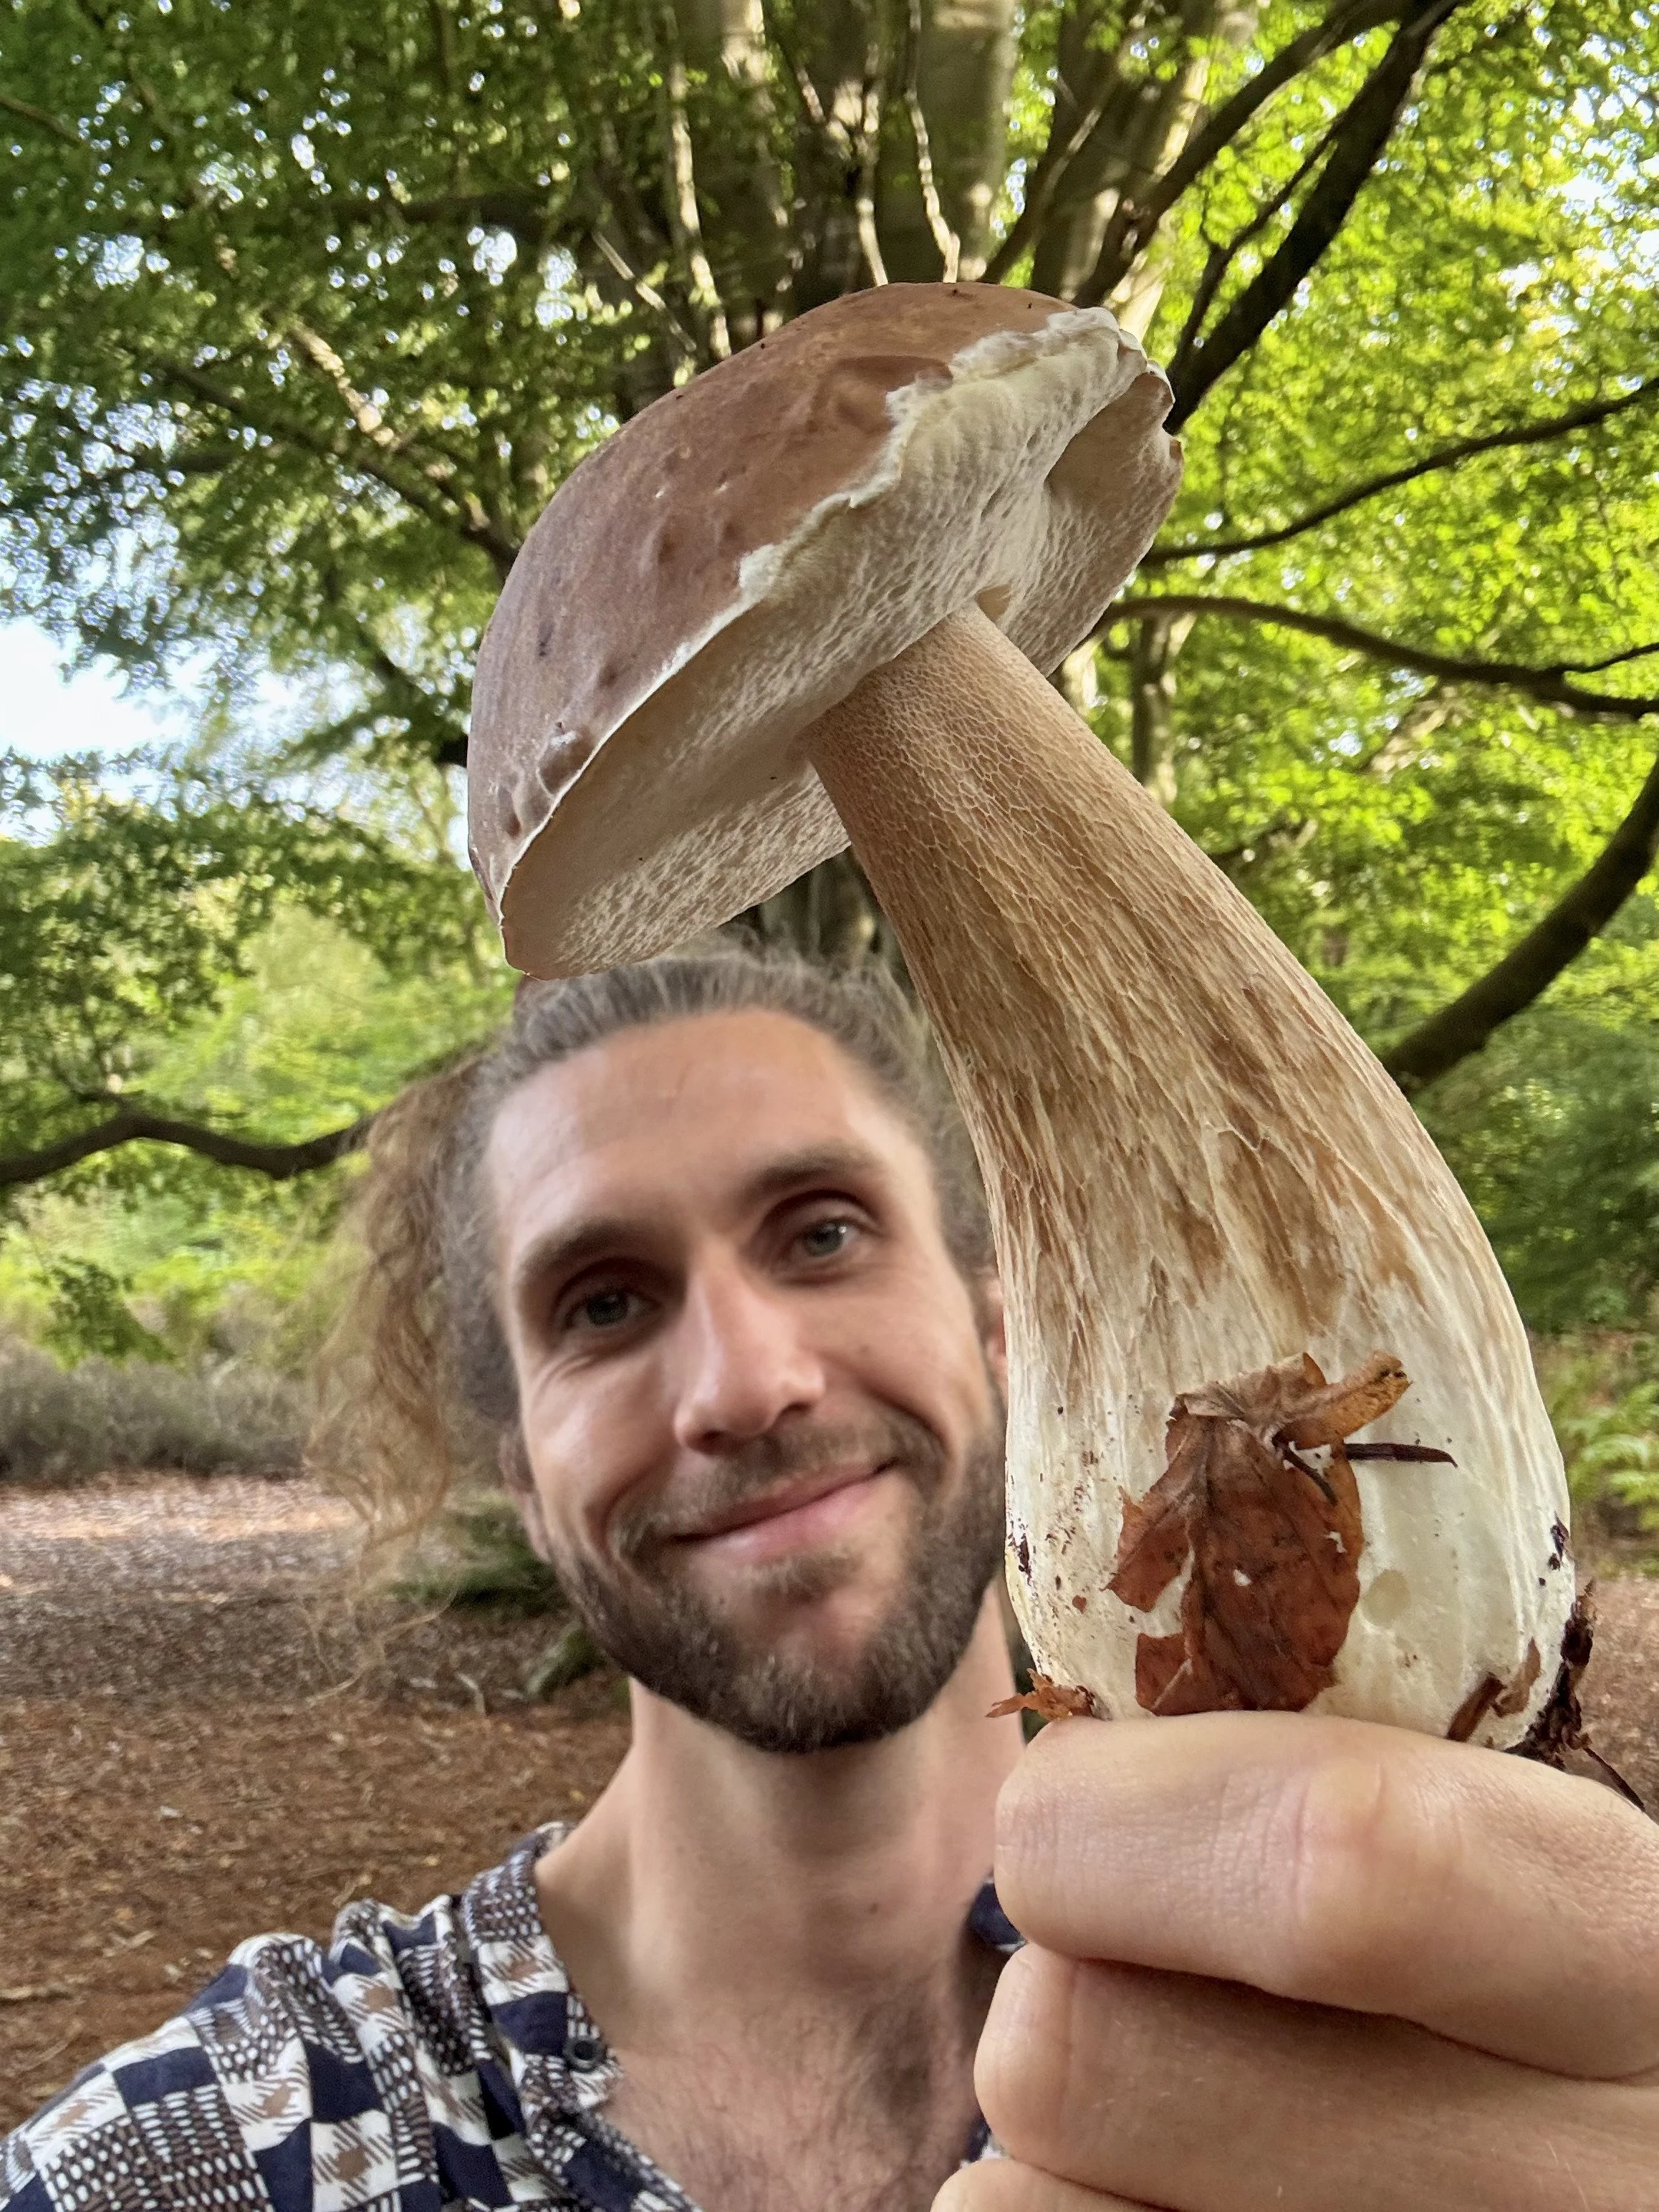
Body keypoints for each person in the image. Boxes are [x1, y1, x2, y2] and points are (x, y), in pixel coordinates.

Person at [4, 946, 1656, 2212]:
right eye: (602, 1303)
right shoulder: (241, 2138)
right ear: (523, 1481)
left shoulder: (1416, 2013)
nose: (747, 1381)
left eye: (821, 1231)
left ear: (1005, 1331)